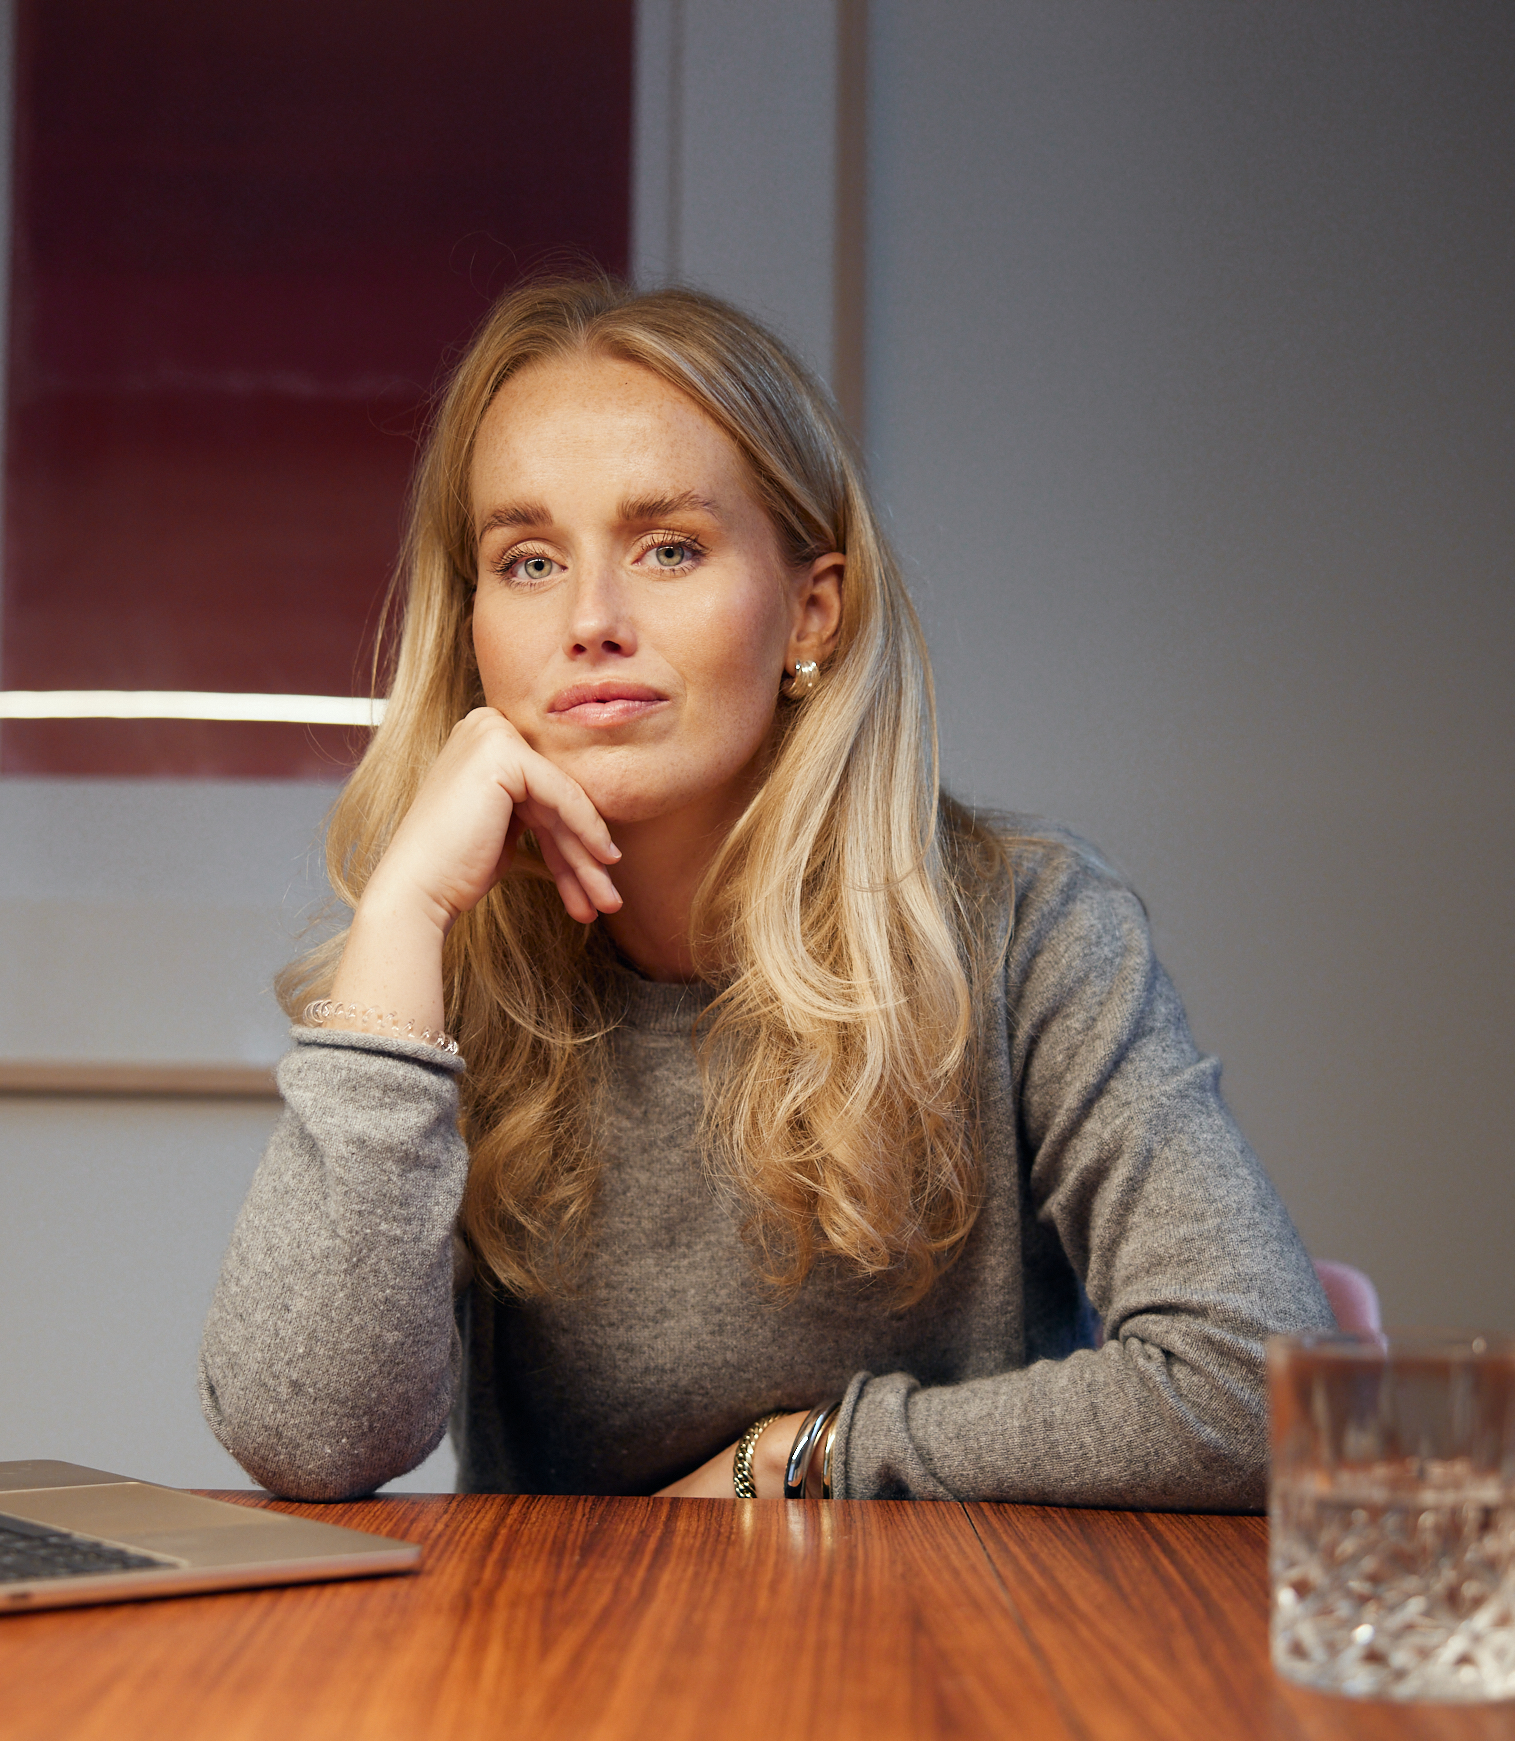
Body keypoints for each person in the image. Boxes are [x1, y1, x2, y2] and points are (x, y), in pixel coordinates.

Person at [202, 276, 1328, 1506]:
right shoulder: (456, 964)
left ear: (812, 609)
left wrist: (800, 1462)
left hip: (953, 1667)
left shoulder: (1030, 928)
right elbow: (305, 1440)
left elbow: (1259, 1389)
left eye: (669, 547)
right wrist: (403, 914)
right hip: (557, 1677)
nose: (590, 620)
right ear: (473, 622)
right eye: (527, 561)